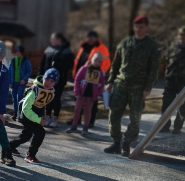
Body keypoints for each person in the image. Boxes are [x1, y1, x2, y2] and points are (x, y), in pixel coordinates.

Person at [104, 15, 161, 157]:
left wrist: (148, 88)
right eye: (136, 26)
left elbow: (154, 69)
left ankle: (126, 143)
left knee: (135, 117)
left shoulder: (152, 46)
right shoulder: (125, 43)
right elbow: (116, 63)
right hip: (121, 84)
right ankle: (116, 142)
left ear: (146, 27)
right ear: (133, 27)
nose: (139, 29)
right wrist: (110, 81)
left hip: (138, 87)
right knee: (114, 114)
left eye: (142, 27)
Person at [9, 68, 58, 163]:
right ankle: (30, 155)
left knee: (26, 135)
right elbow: (26, 109)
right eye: (47, 79)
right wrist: (39, 120)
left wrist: (42, 116)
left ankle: (10, 146)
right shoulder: (34, 90)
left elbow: (42, 104)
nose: (48, 82)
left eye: (52, 81)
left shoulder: (50, 91)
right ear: (43, 78)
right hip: (26, 114)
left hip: (35, 114)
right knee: (40, 133)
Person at [160, 27, 185, 134]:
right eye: (181, 35)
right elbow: (167, 62)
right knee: (166, 104)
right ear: (178, 36)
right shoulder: (172, 48)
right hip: (171, 81)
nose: (182, 37)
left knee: (182, 106)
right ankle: (164, 126)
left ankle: (177, 127)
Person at [67, 30, 111, 127]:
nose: (90, 39)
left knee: (92, 102)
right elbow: (78, 61)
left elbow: (106, 63)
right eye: (89, 37)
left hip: (93, 79)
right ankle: (76, 120)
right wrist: (75, 75)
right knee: (78, 100)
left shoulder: (102, 48)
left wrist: (99, 75)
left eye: (92, 37)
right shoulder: (83, 47)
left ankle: (90, 122)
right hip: (81, 79)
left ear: (96, 38)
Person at [38, 32, 74, 128]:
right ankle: (48, 117)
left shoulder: (67, 51)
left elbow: (70, 65)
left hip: (59, 80)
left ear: (59, 39)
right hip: (46, 79)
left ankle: (55, 118)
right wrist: (40, 76)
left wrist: (58, 64)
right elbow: (42, 64)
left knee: (56, 98)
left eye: (52, 39)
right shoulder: (48, 49)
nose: (51, 41)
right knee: (47, 98)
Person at [67, 52, 106, 135]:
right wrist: (76, 92)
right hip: (81, 93)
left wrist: (97, 94)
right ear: (91, 59)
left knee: (88, 111)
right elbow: (77, 79)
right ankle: (74, 126)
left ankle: (85, 128)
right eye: (95, 60)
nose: (97, 62)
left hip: (91, 95)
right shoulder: (84, 68)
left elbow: (102, 84)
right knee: (77, 110)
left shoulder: (101, 73)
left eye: (99, 61)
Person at [8, 45, 32, 120]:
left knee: (19, 97)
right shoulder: (12, 61)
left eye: (19, 52)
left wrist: (24, 79)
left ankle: (20, 114)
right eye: (17, 52)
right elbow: (9, 72)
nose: (18, 53)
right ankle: (15, 113)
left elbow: (29, 71)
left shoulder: (25, 60)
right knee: (14, 97)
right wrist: (9, 82)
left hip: (21, 82)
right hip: (13, 82)